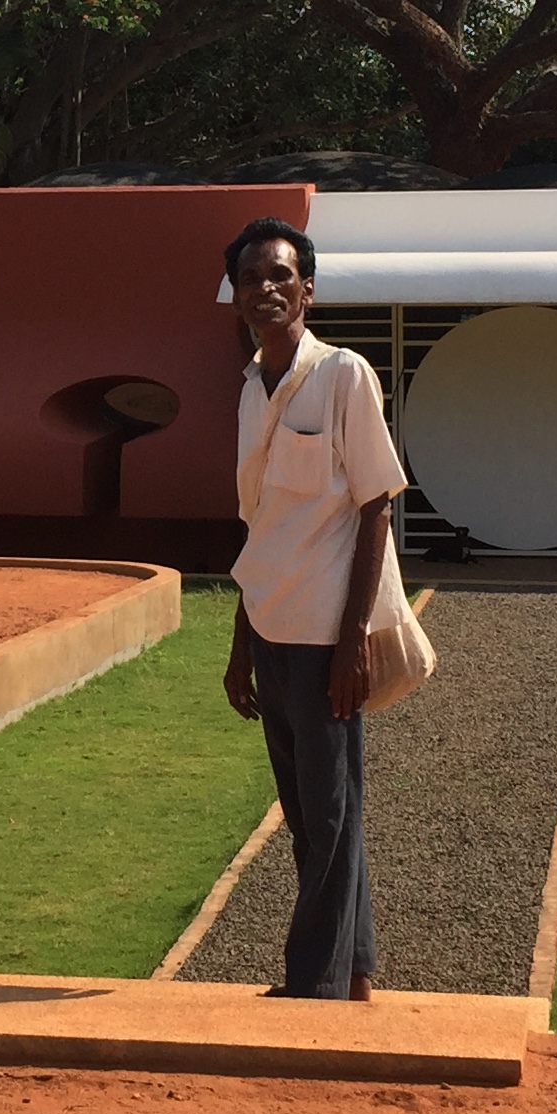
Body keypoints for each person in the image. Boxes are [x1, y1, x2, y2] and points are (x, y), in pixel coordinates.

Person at [218, 213, 406, 1003]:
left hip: (327, 635)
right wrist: (240, 643)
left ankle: (314, 984)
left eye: (280, 275)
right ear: (235, 295)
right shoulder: (249, 391)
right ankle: (352, 973)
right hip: (271, 628)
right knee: (310, 815)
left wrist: (354, 639)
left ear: (308, 291)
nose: (265, 287)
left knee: (329, 816)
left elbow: (376, 503)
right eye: (250, 277)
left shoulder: (342, 376)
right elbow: (260, 524)